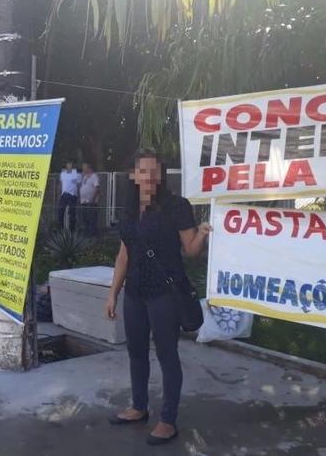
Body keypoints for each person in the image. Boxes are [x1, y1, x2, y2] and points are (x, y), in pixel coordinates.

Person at [104, 149, 211, 446]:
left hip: (165, 292)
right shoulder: (128, 209)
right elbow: (124, 254)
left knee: (167, 355)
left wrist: (201, 234)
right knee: (136, 352)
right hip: (135, 293)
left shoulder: (176, 206)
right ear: (133, 175)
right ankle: (139, 407)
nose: (150, 177)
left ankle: (167, 419)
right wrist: (113, 293)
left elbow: (190, 249)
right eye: (144, 171)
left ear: (162, 175)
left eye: (156, 171)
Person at [79, 163, 100, 237]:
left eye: (84, 168)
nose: (83, 169)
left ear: (89, 168)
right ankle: (87, 234)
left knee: (91, 219)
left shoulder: (94, 177)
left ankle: (92, 235)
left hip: (91, 202)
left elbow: (97, 188)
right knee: (85, 219)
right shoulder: (84, 177)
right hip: (83, 202)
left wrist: (92, 199)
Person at [59, 160, 81, 231]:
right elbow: (60, 184)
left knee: (72, 214)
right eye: (68, 164)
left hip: (72, 195)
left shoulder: (76, 173)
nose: (69, 165)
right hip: (64, 194)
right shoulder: (63, 173)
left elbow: (79, 185)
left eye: (70, 164)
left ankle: (72, 230)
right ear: (66, 165)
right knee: (60, 212)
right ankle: (61, 230)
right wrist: (59, 194)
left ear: (72, 165)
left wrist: (79, 196)